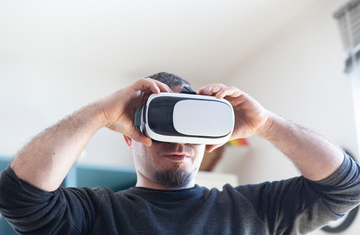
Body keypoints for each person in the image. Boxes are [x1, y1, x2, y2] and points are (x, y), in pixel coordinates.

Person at [0, 72, 359, 235]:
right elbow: (19, 198)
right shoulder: (94, 213)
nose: (179, 142)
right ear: (132, 136)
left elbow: (345, 187)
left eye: (191, 128)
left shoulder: (254, 211)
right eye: (161, 125)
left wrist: (266, 124)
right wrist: (99, 113)